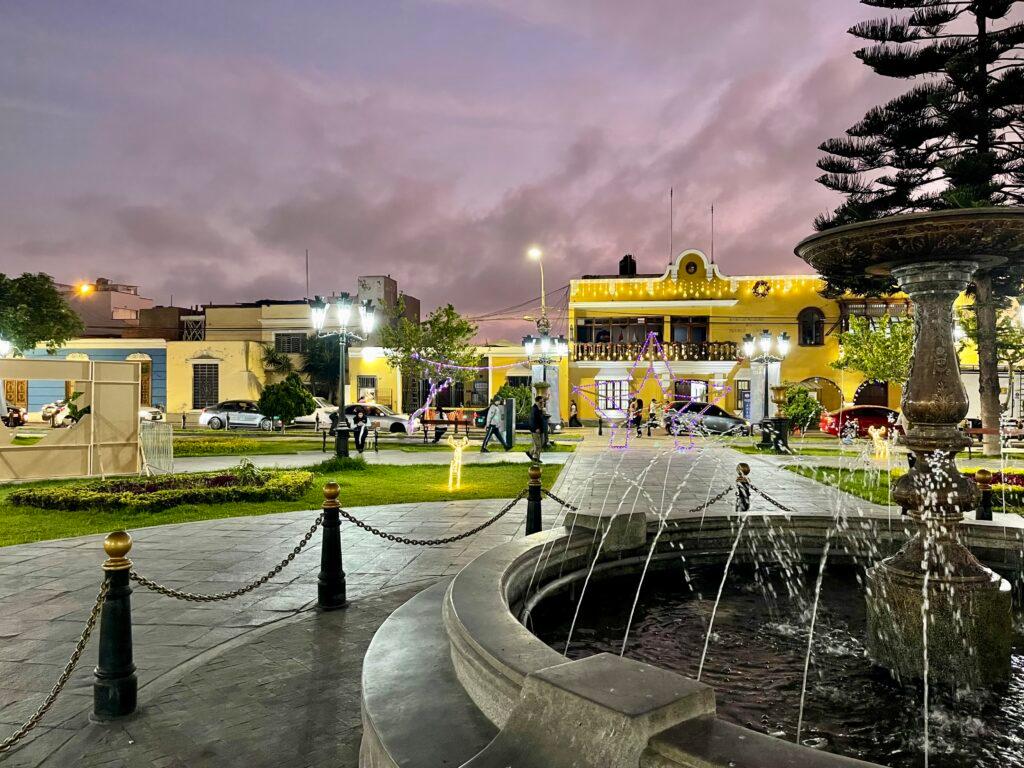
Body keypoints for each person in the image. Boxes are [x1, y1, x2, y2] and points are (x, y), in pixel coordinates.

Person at [529, 395, 548, 462]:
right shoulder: (534, 409)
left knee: (541, 443)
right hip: (535, 430)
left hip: (541, 429)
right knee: (538, 445)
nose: (542, 403)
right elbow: (532, 420)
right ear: (536, 402)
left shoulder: (540, 409)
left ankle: (530, 453)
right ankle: (536, 459)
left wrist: (542, 410)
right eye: (540, 402)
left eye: (543, 402)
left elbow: (542, 418)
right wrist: (536, 428)